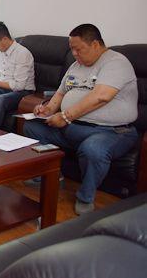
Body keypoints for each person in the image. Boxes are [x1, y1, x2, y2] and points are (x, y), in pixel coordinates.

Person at [23, 24, 138, 215]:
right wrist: (47, 109)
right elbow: (60, 94)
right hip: (73, 127)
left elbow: (101, 96)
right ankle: (53, 176)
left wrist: (65, 116)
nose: (74, 54)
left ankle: (86, 196)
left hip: (111, 132)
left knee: (93, 149)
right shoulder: (76, 66)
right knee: (32, 127)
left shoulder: (116, 62)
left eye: (78, 49)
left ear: (95, 44)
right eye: (72, 49)